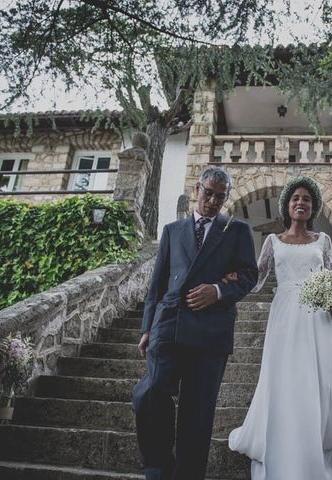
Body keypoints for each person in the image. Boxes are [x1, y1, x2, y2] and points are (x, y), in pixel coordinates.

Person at [228, 176, 332, 480]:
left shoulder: (324, 241)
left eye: (306, 199)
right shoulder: (272, 242)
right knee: (287, 375)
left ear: (313, 206)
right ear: (287, 206)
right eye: (295, 199)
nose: (301, 203)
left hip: (318, 317)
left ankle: (315, 434)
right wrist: (231, 281)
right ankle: (286, 436)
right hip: (285, 315)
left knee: (317, 377)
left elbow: (330, 279)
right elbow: (257, 280)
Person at [132, 166, 258, 480]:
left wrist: (218, 291)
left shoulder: (237, 230)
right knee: (149, 392)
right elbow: (157, 285)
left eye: (220, 195)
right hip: (169, 324)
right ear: (197, 189)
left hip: (211, 332)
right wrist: (147, 327)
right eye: (208, 192)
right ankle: (158, 467)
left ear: (227, 197)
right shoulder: (172, 231)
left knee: (197, 415)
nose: (213, 200)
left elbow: (249, 276)